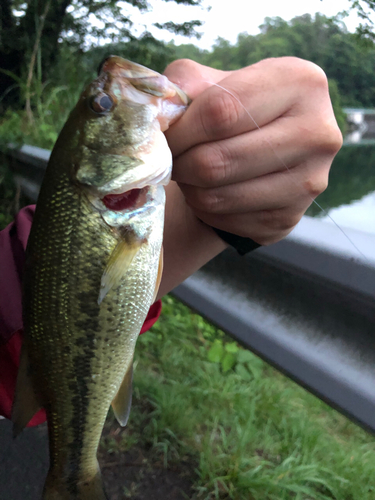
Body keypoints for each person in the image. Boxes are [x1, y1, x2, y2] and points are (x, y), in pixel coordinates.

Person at [0, 57, 342, 423]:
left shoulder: (119, 202)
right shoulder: (114, 204)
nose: (111, 78)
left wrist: (222, 196)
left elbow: (18, 297)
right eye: (101, 106)